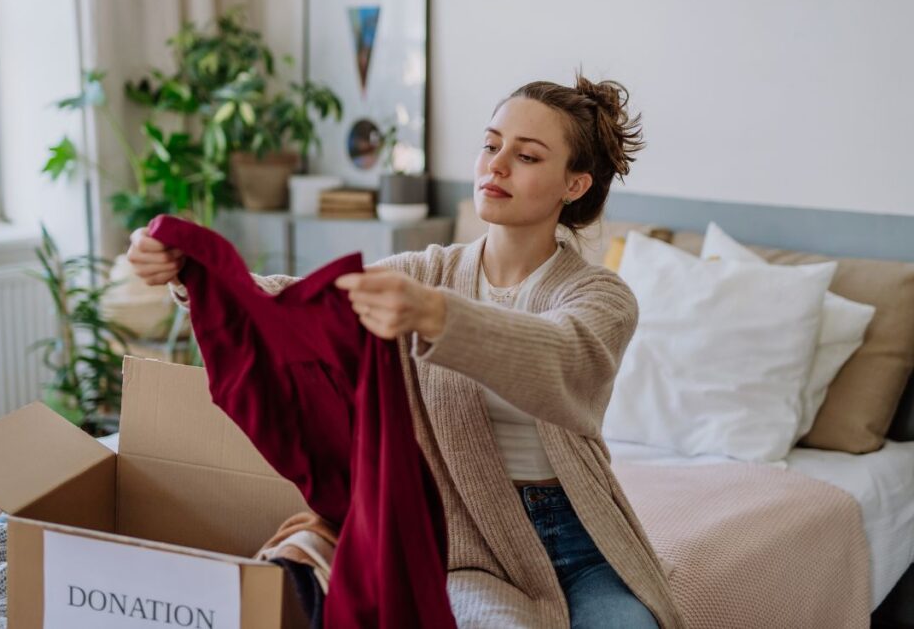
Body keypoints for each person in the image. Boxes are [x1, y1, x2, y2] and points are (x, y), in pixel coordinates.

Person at [127, 73, 682, 629]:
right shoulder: (424, 273)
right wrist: (191, 273)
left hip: (585, 545)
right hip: (467, 546)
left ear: (575, 186)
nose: (497, 165)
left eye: (528, 156)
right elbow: (297, 305)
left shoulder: (600, 296)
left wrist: (439, 316)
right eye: (491, 145)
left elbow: (563, 358)